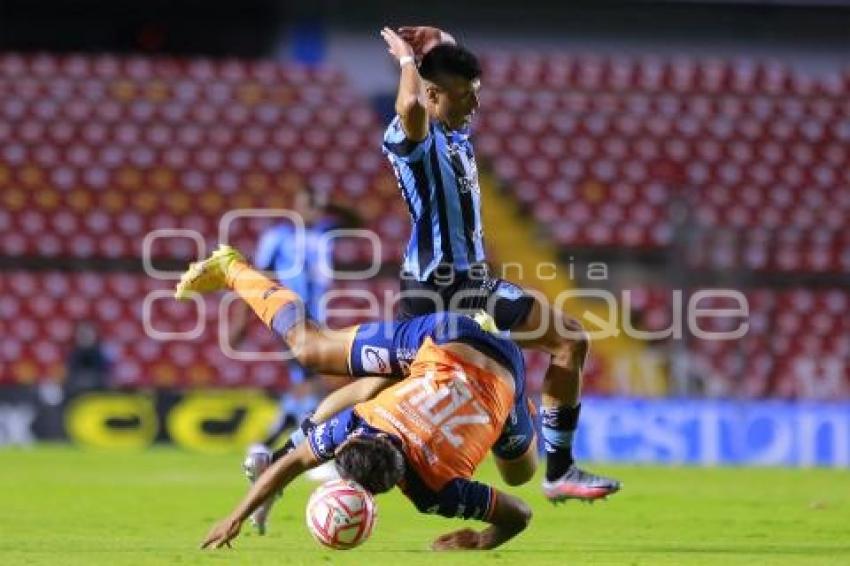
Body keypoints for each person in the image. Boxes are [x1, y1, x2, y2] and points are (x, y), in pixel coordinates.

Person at [378, 25, 619, 501]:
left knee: (569, 341)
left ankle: (561, 470)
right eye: (466, 94)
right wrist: (407, 60)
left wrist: (441, 39)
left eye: (477, 93)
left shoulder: (454, 133)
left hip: (475, 284)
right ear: (432, 94)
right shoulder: (415, 140)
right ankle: (292, 452)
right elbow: (409, 107)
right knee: (379, 389)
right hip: (435, 291)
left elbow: (439, 83)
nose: (476, 103)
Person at [177, 246, 537, 550]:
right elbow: (297, 463)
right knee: (520, 472)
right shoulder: (365, 424)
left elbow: (519, 513)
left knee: (517, 475)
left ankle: (231, 267)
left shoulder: (438, 492)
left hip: (494, 367)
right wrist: (235, 517)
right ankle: (233, 268)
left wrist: (478, 540)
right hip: (457, 340)